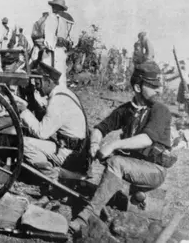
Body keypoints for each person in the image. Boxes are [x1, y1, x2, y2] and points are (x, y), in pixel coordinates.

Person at [69, 61, 176, 233]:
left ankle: (86, 216)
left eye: (159, 86)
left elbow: (147, 139)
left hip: (154, 170)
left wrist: (113, 144)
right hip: (133, 167)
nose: (159, 90)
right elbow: (100, 128)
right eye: (153, 86)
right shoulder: (127, 110)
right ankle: (133, 194)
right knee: (112, 160)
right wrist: (95, 144)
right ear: (138, 88)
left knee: (116, 162)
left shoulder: (160, 110)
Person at [15, 62, 88, 194]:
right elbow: (47, 118)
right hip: (76, 149)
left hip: (70, 155)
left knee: (23, 143)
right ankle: (59, 173)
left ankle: (53, 177)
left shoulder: (57, 102)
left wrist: (24, 111)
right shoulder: (64, 93)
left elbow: (41, 132)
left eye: (38, 84)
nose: (37, 88)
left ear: (48, 82)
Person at [39, 0, 75, 87]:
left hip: (53, 52)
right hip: (60, 51)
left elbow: (49, 40)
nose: (53, 8)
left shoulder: (52, 18)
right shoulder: (64, 21)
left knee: (49, 77)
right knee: (60, 76)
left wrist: (49, 45)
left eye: (55, 6)